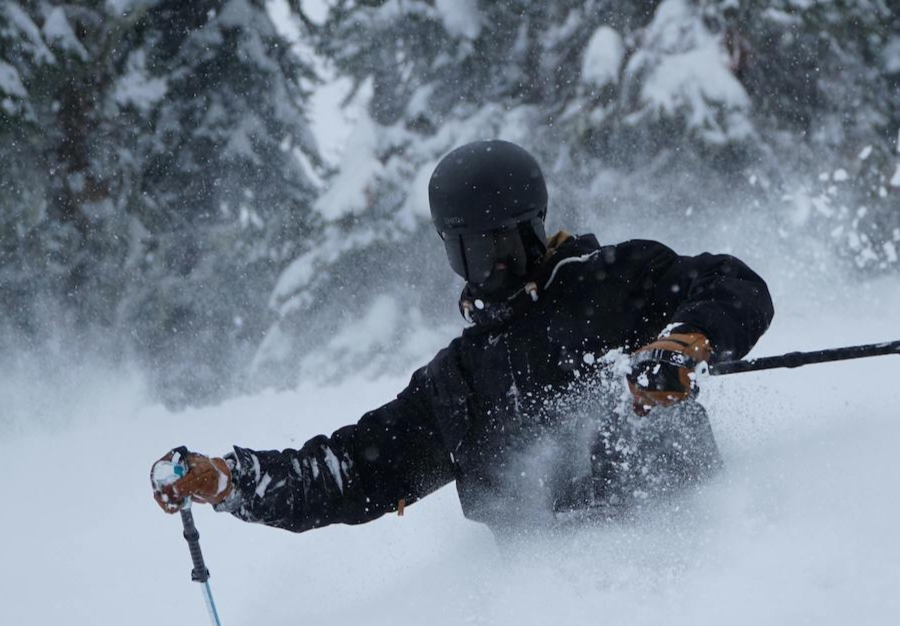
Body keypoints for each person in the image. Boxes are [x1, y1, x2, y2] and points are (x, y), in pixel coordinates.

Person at [151, 140, 774, 537]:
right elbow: (353, 471)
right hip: (554, 594)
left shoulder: (614, 283)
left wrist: (683, 341)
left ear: (535, 228)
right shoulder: (459, 380)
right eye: (474, 252)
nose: (493, 268)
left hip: (686, 542)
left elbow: (734, 285)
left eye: (504, 244)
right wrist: (235, 480)